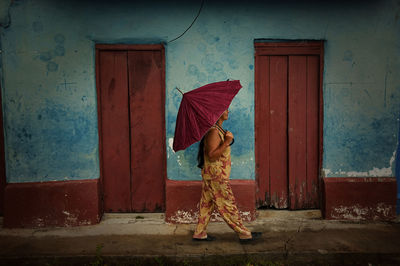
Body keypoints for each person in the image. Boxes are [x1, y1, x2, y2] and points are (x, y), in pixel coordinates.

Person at [192, 109, 262, 243]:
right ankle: (244, 233)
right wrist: (226, 142)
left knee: (207, 204)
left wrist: (227, 138)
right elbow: (212, 156)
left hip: (212, 175)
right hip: (216, 176)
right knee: (227, 204)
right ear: (217, 113)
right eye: (225, 109)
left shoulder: (218, 130)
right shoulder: (213, 132)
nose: (228, 111)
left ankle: (199, 233)